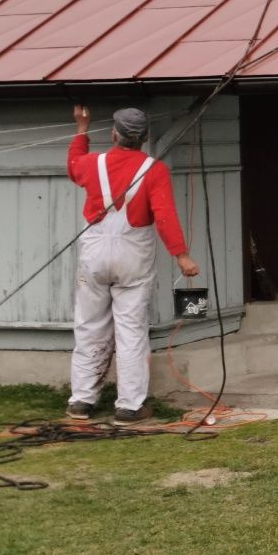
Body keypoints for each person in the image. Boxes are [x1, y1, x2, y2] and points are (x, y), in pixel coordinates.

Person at [65, 105, 198, 422]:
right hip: (133, 255)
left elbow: (73, 167)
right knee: (131, 332)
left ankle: (81, 401)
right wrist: (181, 255)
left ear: (114, 134)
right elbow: (165, 217)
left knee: (89, 327)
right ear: (145, 137)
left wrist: (81, 130)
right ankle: (129, 406)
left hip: (94, 252)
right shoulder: (154, 170)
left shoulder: (92, 163)